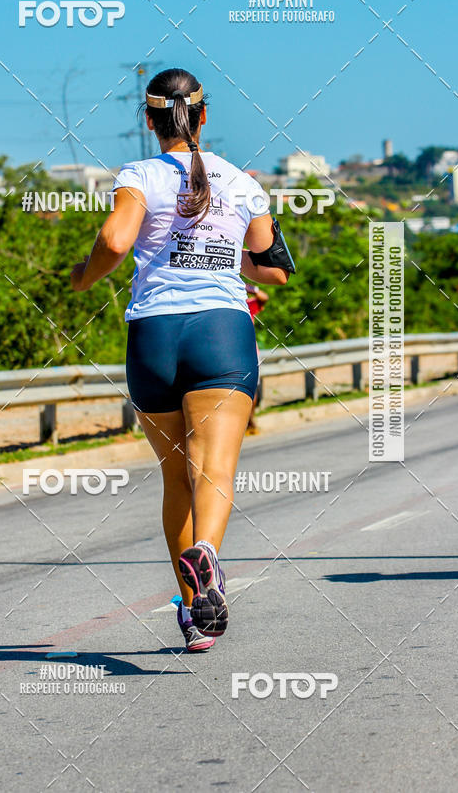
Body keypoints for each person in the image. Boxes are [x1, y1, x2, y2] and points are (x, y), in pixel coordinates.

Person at [70, 68, 292, 652]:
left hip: (154, 337)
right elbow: (273, 268)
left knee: (175, 479)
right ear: (203, 116)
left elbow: (116, 243)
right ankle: (210, 558)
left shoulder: (139, 176)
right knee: (211, 470)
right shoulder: (244, 184)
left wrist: (81, 278)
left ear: (148, 121)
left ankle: (195, 614)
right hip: (222, 332)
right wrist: (224, 253)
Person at [245, 283, 269, 434]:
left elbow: (264, 298)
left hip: (251, 353)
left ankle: (250, 420)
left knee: (251, 390)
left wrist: (250, 289)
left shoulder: (247, 306)